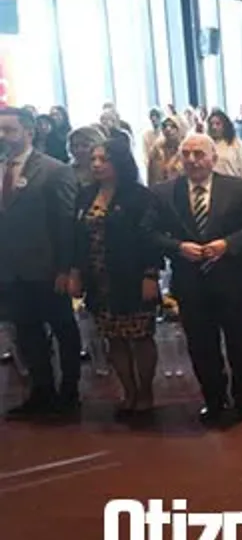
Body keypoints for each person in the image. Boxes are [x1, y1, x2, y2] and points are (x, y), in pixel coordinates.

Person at [151, 134, 242, 424]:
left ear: (213, 157)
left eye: (199, 154)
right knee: (201, 345)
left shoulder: (238, 188)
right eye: (186, 154)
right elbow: (150, 233)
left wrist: (227, 244)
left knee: (241, 343)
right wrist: (178, 247)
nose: (192, 160)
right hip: (190, 283)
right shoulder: (164, 193)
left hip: (232, 279)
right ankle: (214, 399)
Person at [69, 136, 164, 415]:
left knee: (140, 337)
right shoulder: (86, 195)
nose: (96, 164)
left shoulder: (139, 196)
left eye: (104, 159)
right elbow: (77, 238)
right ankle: (129, 392)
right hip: (99, 280)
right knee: (114, 338)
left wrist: (150, 275)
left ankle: (145, 393)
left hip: (132, 277)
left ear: (120, 162)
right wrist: (75, 272)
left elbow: (150, 240)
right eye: (94, 159)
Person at [0, 106, 83, 415]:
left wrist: (65, 268)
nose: (3, 136)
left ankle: (70, 391)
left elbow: (65, 224)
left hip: (47, 268)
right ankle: (41, 391)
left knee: (63, 329)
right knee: (27, 332)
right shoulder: (1, 169)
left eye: (9, 130)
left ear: (29, 132)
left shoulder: (54, 170)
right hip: (11, 270)